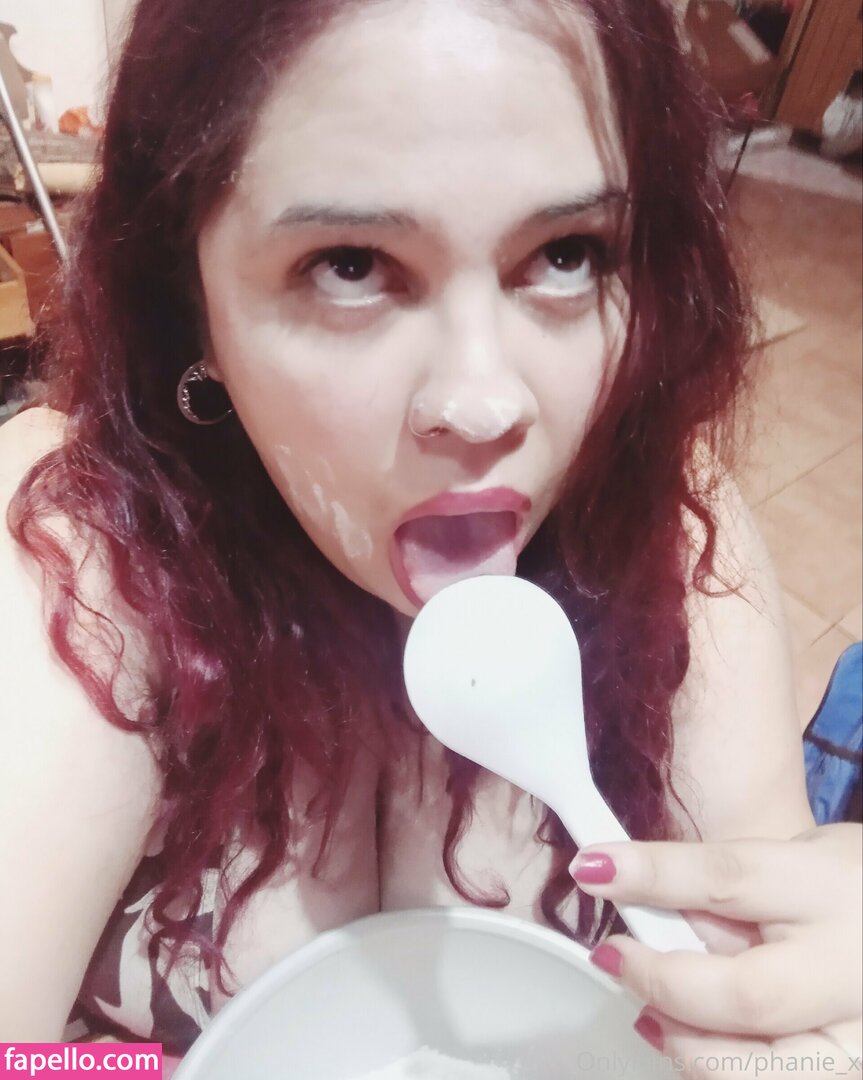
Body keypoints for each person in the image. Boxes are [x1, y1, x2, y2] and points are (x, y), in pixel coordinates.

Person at [0, 0, 859, 1074]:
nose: (482, 403)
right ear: (191, 300)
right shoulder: (81, 572)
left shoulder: (675, 555)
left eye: (566, 253)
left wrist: (808, 1002)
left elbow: (760, 960)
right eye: (350, 264)